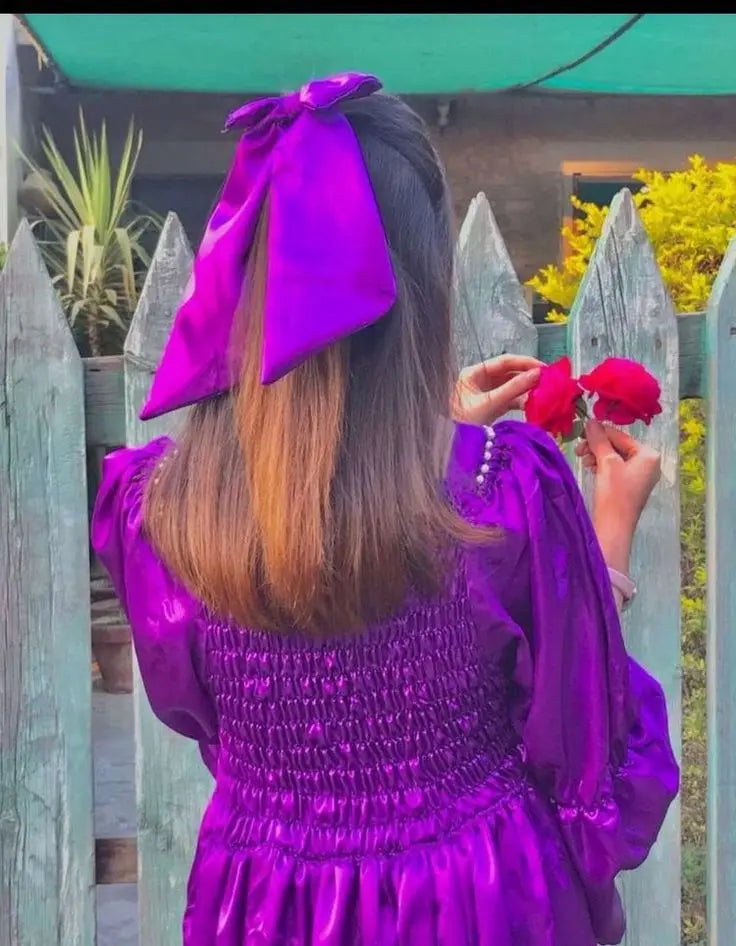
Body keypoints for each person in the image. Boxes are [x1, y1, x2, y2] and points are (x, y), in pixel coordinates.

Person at [92, 73, 678, 946]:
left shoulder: (161, 509)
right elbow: (590, 754)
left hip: (261, 904)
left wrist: (428, 448)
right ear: (421, 282)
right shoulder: (500, 487)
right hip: (477, 897)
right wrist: (605, 533)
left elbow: (207, 715)